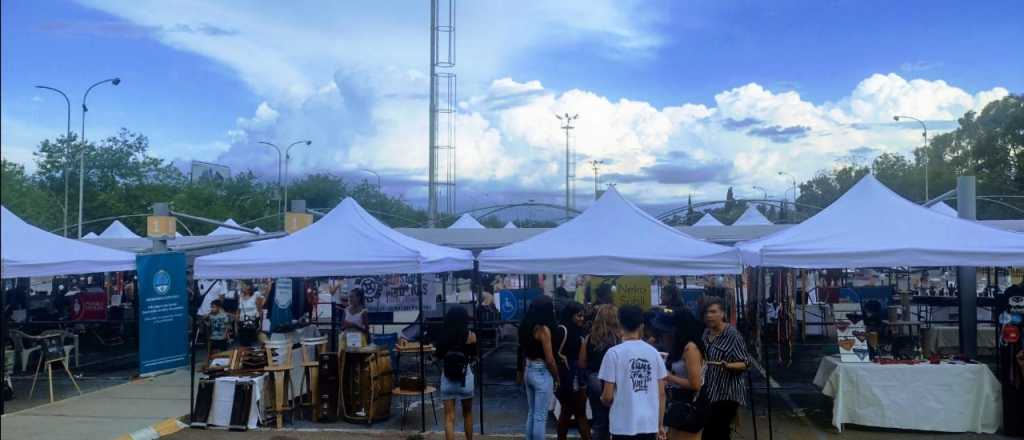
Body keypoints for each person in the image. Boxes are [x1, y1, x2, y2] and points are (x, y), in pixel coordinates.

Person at [599, 305, 667, 440]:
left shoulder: (613, 354)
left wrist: (603, 400)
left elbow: (607, 396)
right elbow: (661, 393)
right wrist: (660, 424)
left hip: (622, 424)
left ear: (619, 324)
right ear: (641, 326)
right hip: (649, 423)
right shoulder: (654, 353)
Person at [701, 297, 750, 440]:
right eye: (706, 312)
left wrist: (728, 365)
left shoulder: (732, 335)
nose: (708, 315)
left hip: (727, 392)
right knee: (709, 431)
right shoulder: (705, 333)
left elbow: (745, 362)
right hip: (710, 391)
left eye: (713, 311)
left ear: (722, 314)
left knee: (719, 431)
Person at [518, 295, 561, 440]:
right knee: (540, 417)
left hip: (529, 369)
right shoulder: (544, 330)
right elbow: (550, 360)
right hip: (542, 371)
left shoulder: (526, 325)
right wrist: (556, 377)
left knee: (532, 413)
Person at [579, 304, 619, 440]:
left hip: (595, 381)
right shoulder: (619, 339)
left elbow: (582, 363)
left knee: (599, 423)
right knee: (618, 422)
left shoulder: (590, 338)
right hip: (615, 383)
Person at [436, 306, 477, 440]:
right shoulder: (470, 335)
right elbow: (474, 356)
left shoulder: (443, 335)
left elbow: (438, 355)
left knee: (449, 417)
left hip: (447, 378)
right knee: (468, 413)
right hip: (465, 377)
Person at [664, 312, 705, 440]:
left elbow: (695, 384)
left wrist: (669, 377)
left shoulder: (691, 348)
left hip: (689, 405)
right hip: (677, 404)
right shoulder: (680, 347)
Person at [555, 301, 591, 440]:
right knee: (577, 413)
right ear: (570, 315)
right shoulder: (562, 330)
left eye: (583, 316)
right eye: (579, 316)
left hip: (576, 377)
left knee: (568, 412)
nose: (582, 318)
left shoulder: (580, 330)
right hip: (568, 377)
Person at [236, 282, 264, 346]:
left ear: (250, 288)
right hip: (242, 322)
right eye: (244, 287)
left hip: (253, 322)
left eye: (246, 286)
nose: (245, 288)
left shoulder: (256, 295)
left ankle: (249, 354)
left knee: (251, 342)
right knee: (243, 342)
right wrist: (236, 324)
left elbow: (260, 310)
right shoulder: (240, 296)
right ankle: (245, 354)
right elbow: (238, 310)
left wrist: (261, 324)